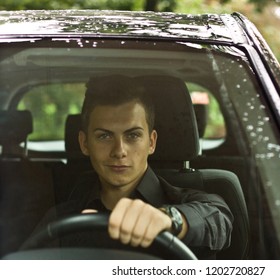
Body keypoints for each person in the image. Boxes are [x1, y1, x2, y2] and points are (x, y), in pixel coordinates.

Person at [31, 74, 233, 259]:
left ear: (151, 142)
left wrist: (169, 220)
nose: (119, 151)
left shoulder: (192, 202)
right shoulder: (61, 217)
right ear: (84, 143)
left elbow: (218, 219)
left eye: (133, 135)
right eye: (104, 136)